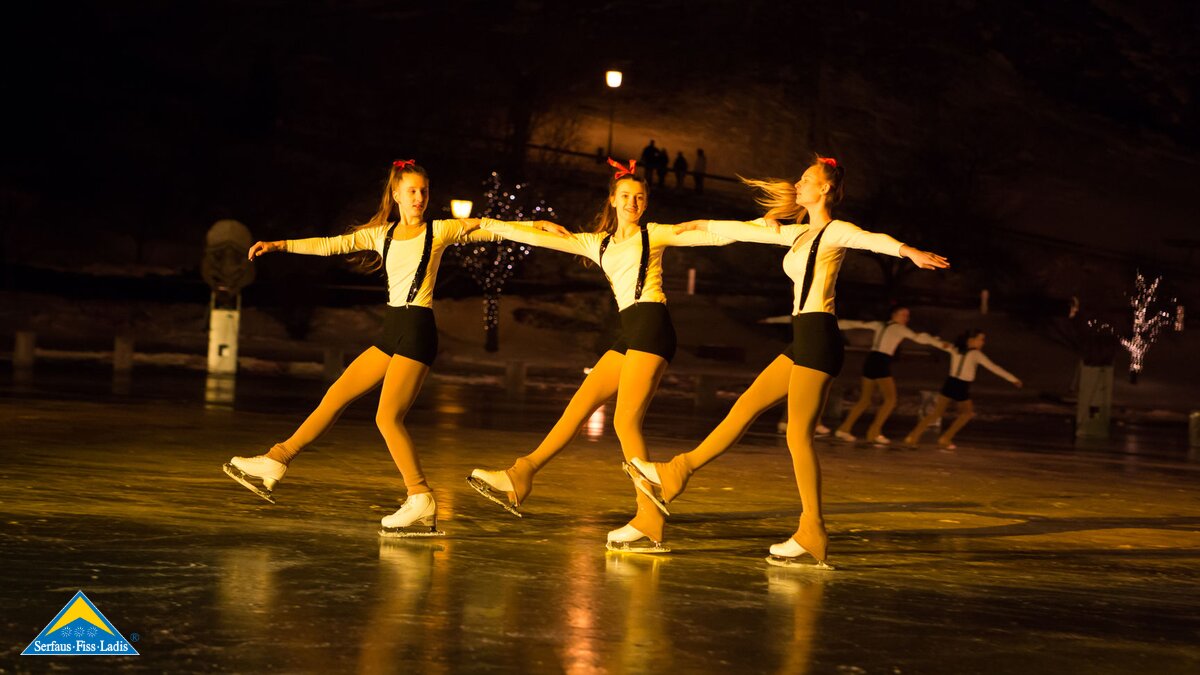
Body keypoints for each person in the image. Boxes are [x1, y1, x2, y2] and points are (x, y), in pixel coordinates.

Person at [624, 155, 949, 568]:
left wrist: (909, 252)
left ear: (825, 189)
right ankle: (676, 473)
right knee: (744, 407)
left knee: (798, 437)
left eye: (806, 179)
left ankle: (812, 530)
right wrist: (698, 225)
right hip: (803, 338)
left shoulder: (836, 231)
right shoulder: (797, 234)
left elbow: (873, 239)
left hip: (819, 338)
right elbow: (743, 232)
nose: (798, 184)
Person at [221, 160, 567, 538]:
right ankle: (277, 460)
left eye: (424, 191)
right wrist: (279, 245)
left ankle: (420, 496)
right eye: (412, 191)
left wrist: (536, 226)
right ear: (397, 194)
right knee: (336, 395)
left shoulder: (440, 230)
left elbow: (489, 228)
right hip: (392, 331)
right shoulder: (380, 235)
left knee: (387, 418)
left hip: (417, 330)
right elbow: (331, 245)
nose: (419, 198)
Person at [466, 159, 732, 553]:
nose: (633, 202)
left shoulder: (654, 235)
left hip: (653, 326)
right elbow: (542, 240)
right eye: (626, 196)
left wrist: (768, 230)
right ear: (612, 199)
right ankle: (521, 474)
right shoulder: (598, 242)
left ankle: (649, 520)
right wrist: (487, 224)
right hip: (629, 330)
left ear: (646, 203)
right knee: (579, 406)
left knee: (625, 422)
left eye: (640, 197)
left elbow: (707, 235)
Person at [833, 307, 948, 445]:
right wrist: (940, 343)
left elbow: (854, 323)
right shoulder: (899, 328)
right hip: (881, 362)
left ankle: (844, 429)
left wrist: (831, 322)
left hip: (871, 360)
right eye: (903, 315)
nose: (906, 318)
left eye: (907, 315)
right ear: (894, 315)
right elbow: (919, 338)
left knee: (865, 400)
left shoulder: (880, 324)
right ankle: (874, 432)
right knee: (890, 399)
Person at [902, 330, 1022, 450]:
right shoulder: (976, 354)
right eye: (980, 339)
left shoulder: (955, 348)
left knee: (936, 414)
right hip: (961, 386)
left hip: (950, 383)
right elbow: (994, 368)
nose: (983, 342)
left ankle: (912, 437)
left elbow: (937, 343)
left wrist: (925, 337)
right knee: (967, 413)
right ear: (971, 340)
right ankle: (945, 438)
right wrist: (1013, 379)